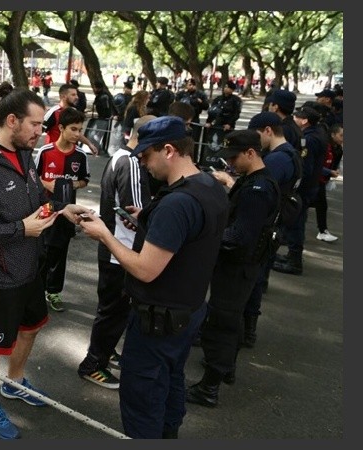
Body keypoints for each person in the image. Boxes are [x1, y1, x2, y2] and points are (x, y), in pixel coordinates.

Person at [0, 88, 90, 439]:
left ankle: (14, 383)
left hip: (31, 269)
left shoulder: (26, 154)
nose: (41, 132)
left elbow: (36, 197)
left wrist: (62, 208)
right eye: (34, 124)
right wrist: (19, 229)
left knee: (31, 328)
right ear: (11, 121)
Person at [78, 115, 229, 438]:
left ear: (170, 150)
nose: (144, 164)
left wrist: (106, 235)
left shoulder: (177, 203)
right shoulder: (208, 186)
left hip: (158, 320)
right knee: (171, 382)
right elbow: (189, 236)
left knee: (142, 399)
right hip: (188, 309)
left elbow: (145, 269)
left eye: (147, 156)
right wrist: (148, 218)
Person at [186, 130, 280, 408]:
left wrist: (204, 236)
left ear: (251, 153)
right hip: (244, 265)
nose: (230, 163)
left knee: (222, 324)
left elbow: (239, 235)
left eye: (234, 157)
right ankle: (224, 370)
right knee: (231, 320)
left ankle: (209, 387)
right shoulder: (256, 182)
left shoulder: (257, 190)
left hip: (238, 266)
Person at [77, 115, 154, 390]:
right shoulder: (131, 162)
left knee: (113, 310)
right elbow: (136, 212)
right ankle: (92, 364)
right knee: (113, 311)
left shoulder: (121, 156)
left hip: (115, 247)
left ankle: (105, 352)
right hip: (119, 250)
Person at [242, 112, 302, 348]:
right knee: (255, 280)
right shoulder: (290, 154)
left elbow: (259, 188)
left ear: (268, 130)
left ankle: (246, 330)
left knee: (251, 281)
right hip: (272, 226)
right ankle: (247, 329)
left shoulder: (278, 160)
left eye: (256, 136)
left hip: (263, 227)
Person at [34, 107, 91, 312]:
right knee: (40, 251)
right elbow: (34, 178)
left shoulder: (81, 156)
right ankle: (36, 291)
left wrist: (70, 185)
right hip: (46, 209)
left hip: (67, 211)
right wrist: (48, 185)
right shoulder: (45, 152)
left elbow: (84, 180)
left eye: (80, 129)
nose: (78, 134)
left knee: (59, 252)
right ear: (61, 128)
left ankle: (54, 292)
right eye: (74, 129)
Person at [272, 106, 328, 276]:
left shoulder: (310, 139)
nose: (294, 118)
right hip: (310, 186)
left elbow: (306, 167)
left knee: (296, 222)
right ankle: (291, 255)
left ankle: (294, 260)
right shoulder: (317, 132)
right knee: (296, 221)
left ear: (304, 121)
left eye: (297, 116)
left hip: (304, 188)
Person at [43, 83, 99, 154]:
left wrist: (89, 144)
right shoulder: (53, 112)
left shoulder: (75, 111)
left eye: (76, 94)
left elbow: (77, 133)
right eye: (73, 95)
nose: (77, 97)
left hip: (71, 154)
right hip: (53, 155)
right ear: (63, 96)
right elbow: (38, 132)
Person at [314, 123, 343, 242]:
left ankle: (322, 230)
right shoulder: (325, 147)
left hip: (322, 180)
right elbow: (316, 165)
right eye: (341, 135)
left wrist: (333, 171)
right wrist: (329, 171)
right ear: (333, 135)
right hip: (315, 180)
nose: (343, 138)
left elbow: (334, 164)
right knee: (321, 205)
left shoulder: (338, 149)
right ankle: (322, 231)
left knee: (319, 205)